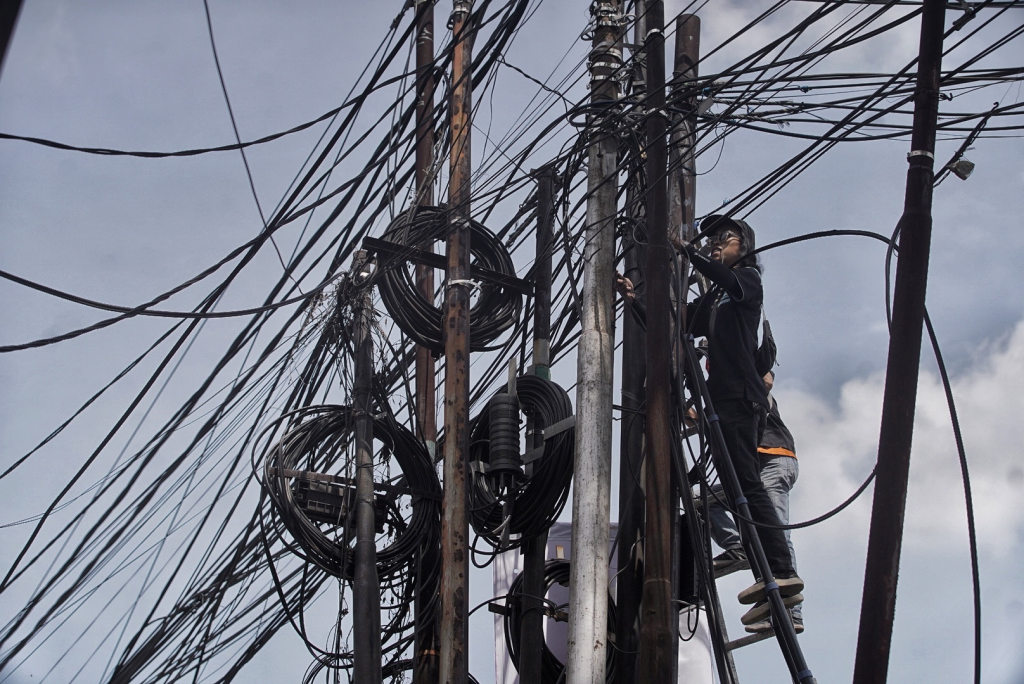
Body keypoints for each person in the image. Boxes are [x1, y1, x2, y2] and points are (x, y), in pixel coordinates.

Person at [673, 215, 803, 629]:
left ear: (743, 244)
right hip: (722, 400)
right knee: (735, 490)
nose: (713, 243)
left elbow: (731, 285)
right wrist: (636, 298)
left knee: (748, 486)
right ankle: (769, 580)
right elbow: (676, 322)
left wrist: (689, 252)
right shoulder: (713, 301)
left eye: (721, 238)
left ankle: (782, 575)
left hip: (742, 400)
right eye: (709, 239)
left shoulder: (746, 280)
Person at [707, 369, 803, 633]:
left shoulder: (750, 388)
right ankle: (737, 547)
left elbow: (765, 380)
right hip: (751, 468)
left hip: (772, 458)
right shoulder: (722, 399)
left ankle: (790, 610)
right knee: (705, 501)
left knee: (773, 529)